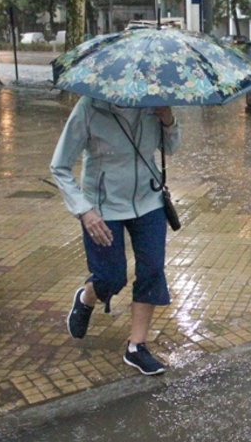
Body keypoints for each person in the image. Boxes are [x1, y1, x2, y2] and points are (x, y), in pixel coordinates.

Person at [50, 96, 180, 375]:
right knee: (111, 277)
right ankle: (86, 298)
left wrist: (168, 120)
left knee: (153, 270)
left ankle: (136, 347)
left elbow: (171, 148)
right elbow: (59, 166)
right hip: (102, 208)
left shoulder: (153, 102)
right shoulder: (89, 108)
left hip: (148, 201)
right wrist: (84, 210)